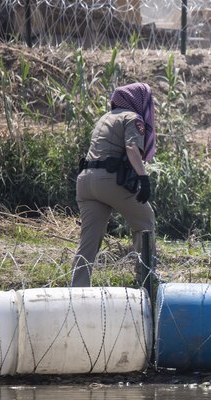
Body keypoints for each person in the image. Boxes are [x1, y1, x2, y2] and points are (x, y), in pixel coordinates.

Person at [71, 82, 156, 287]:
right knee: (145, 220)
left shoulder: (104, 118)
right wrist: (143, 178)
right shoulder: (133, 118)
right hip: (108, 181)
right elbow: (131, 149)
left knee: (89, 241)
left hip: (85, 182)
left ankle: (77, 289)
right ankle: (145, 279)